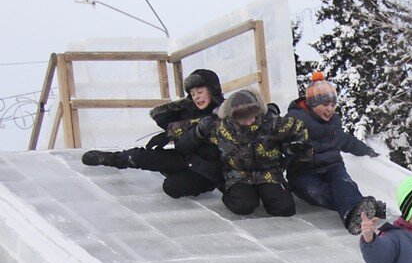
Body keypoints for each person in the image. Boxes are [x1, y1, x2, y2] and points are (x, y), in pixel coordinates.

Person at [81, 69, 225, 198]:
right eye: (192, 94)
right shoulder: (188, 112)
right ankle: (110, 158)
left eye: (200, 92)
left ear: (213, 89)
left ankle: (181, 176)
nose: (196, 97)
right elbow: (169, 125)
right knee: (141, 156)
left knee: (172, 187)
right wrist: (169, 133)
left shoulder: (226, 114)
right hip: (185, 158)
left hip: (207, 171)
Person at [180, 88, 311, 217]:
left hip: (269, 172)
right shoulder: (220, 127)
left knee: (284, 209)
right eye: (243, 118)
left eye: (252, 115)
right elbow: (180, 130)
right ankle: (230, 190)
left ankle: (265, 192)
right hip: (238, 174)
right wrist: (196, 133)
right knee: (243, 206)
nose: (250, 121)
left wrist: (293, 151)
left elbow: (297, 127)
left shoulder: (271, 122)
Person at [285, 72, 385, 234]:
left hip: (332, 166)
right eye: (325, 104)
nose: (329, 109)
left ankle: (356, 213)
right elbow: (280, 143)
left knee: (343, 182)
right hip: (304, 171)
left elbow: (346, 141)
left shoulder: (334, 123)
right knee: (316, 191)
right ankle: (363, 208)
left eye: (332, 105)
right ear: (312, 103)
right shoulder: (295, 120)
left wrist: (366, 151)